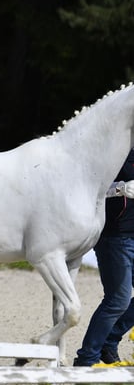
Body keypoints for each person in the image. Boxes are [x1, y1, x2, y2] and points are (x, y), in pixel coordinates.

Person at [74, 149, 134, 366]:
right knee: (118, 299)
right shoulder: (115, 151)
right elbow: (88, 186)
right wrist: (119, 189)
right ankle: (86, 360)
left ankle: (109, 341)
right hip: (115, 237)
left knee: (118, 300)